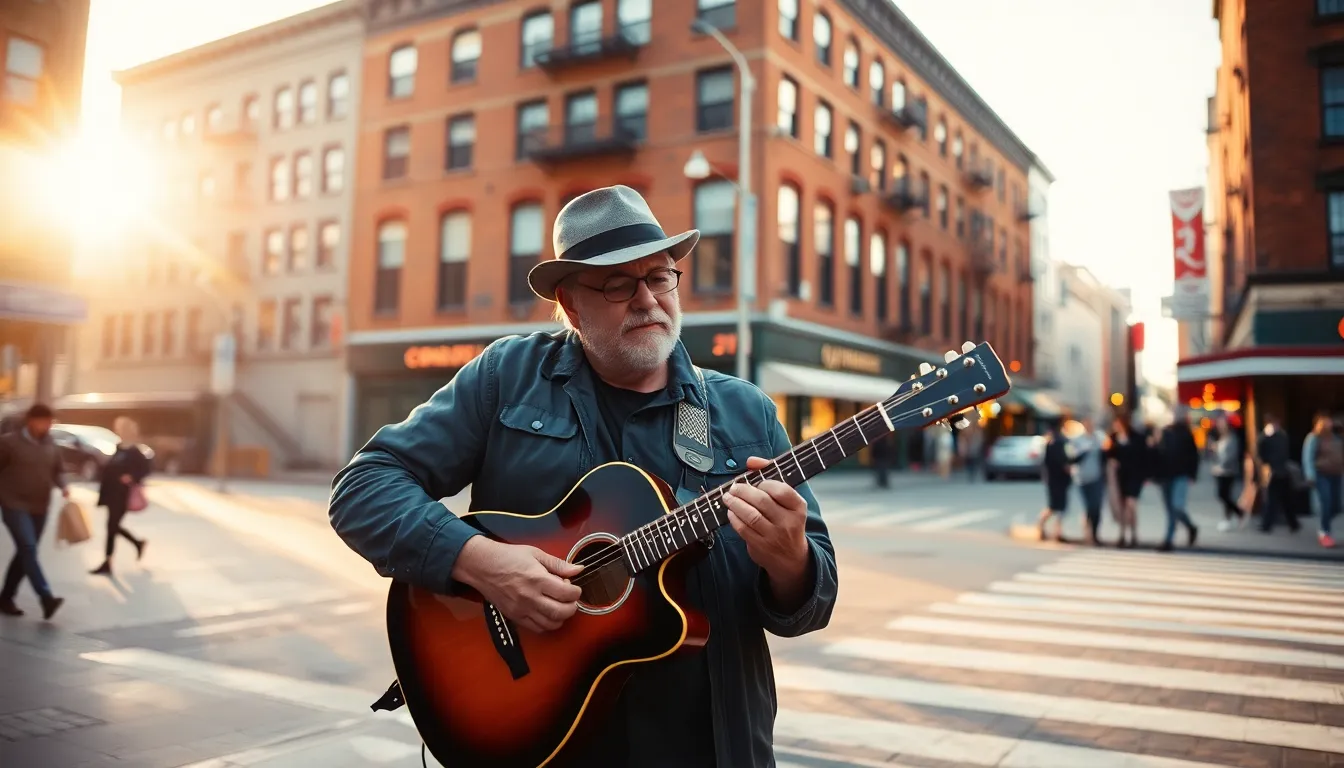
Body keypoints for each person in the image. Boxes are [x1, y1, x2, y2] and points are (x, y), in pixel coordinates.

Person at [327, 186, 838, 768]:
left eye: (661, 277)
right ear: (570, 304)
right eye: (619, 284)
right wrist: (480, 562)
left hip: (711, 745)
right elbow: (364, 486)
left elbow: (812, 601)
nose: (647, 299)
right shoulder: (507, 378)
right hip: (544, 744)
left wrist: (790, 558)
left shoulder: (743, 412)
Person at [0, 404, 68, 619]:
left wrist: (64, 485)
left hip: (40, 506)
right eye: (44, 421)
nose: (48, 425)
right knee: (28, 548)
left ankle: (5, 597)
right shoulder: (8, 443)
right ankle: (45, 597)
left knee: (25, 552)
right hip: (13, 504)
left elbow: (58, 470)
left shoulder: (51, 444)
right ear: (31, 421)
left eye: (50, 422)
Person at [90, 416, 153, 577]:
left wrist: (132, 477)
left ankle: (109, 561)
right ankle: (136, 544)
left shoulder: (134, 451)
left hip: (123, 495)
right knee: (112, 527)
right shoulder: (119, 448)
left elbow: (145, 470)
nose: (118, 431)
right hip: (111, 493)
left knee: (112, 527)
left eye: (120, 428)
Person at [1154, 410, 1200, 551]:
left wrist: (1192, 475)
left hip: (1180, 475)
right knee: (1171, 509)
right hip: (1165, 476)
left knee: (1176, 506)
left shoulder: (1186, 434)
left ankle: (1168, 540)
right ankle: (1190, 527)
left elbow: (1194, 456)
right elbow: (1157, 453)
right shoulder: (1165, 433)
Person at [1104, 411, 1145, 547]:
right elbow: (1107, 455)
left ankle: (1134, 535)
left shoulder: (1136, 438)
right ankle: (1122, 534)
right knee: (1121, 507)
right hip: (1120, 476)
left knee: (1131, 505)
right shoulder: (1113, 438)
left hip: (1134, 476)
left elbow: (1143, 456)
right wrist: (1111, 458)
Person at [1302, 412, 1341, 548]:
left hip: (1336, 474)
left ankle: (1325, 525)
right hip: (1321, 474)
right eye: (1323, 422)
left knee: (1337, 505)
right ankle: (1325, 532)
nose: (1327, 425)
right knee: (1326, 501)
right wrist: (1310, 475)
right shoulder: (1314, 438)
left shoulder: (1336, 437)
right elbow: (1308, 457)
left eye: (1328, 422)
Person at [1257, 413, 1299, 533]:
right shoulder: (1281, 435)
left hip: (1275, 470)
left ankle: (1267, 525)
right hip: (1280, 470)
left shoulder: (1272, 437)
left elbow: (1262, 451)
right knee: (1284, 499)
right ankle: (1292, 523)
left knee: (1274, 499)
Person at [1068, 417, 1107, 545]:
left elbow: (1105, 455)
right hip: (1082, 479)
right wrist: (1084, 451)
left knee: (1096, 507)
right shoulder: (1077, 440)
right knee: (1088, 507)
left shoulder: (1098, 438)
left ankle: (1095, 534)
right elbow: (1073, 459)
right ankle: (1088, 534)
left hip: (1097, 477)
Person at [1036, 423, 1074, 541]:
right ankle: (1053, 530)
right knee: (1057, 507)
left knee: (1056, 506)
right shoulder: (1062, 443)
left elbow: (1045, 463)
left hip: (1054, 479)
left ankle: (1055, 530)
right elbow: (1067, 461)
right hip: (1059, 479)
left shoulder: (1051, 443)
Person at [1208, 417, 1244, 531]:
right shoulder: (1221, 438)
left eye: (1222, 424)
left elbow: (1231, 456)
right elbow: (1218, 454)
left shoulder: (1232, 439)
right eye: (1219, 424)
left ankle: (1231, 516)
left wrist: (1221, 466)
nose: (1220, 427)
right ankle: (1237, 513)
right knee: (1222, 495)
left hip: (1228, 471)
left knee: (1224, 495)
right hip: (1219, 471)